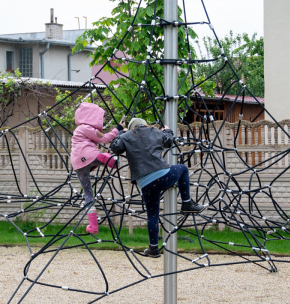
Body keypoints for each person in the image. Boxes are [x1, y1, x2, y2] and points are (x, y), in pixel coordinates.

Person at [110, 118, 202, 257]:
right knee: (183, 169)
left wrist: (120, 133)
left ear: (131, 127)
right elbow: (169, 142)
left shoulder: (126, 136)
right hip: (162, 175)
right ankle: (187, 203)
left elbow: (115, 148)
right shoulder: (154, 131)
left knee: (152, 215)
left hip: (145, 183)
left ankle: (153, 249)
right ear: (143, 123)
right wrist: (168, 131)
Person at [70, 102, 119, 234]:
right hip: (88, 155)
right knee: (98, 157)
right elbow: (104, 139)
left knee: (88, 194)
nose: (101, 120)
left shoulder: (79, 129)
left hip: (78, 163)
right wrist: (117, 129)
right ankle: (106, 159)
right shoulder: (86, 128)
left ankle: (93, 226)